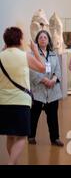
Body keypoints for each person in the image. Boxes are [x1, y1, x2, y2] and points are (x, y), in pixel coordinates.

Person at [0, 27, 45, 165]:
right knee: (21, 136)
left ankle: (13, 162)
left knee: (10, 135)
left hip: (3, 101)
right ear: (19, 40)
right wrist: (36, 51)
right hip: (21, 101)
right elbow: (42, 68)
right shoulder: (24, 55)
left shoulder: (1, 56)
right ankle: (11, 163)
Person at [28, 30, 64, 146]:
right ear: (37, 41)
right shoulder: (32, 54)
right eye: (40, 38)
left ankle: (55, 138)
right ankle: (31, 136)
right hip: (38, 90)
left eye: (45, 37)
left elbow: (58, 70)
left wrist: (53, 80)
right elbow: (31, 71)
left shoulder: (53, 54)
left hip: (53, 91)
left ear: (48, 40)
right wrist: (44, 80)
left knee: (53, 117)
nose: (43, 39)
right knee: (34, 115)